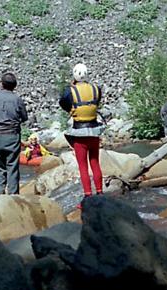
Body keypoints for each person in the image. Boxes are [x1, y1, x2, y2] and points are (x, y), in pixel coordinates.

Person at [58, 63, 105, 207]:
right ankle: (100, 193)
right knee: (95, 162)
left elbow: (63, 103)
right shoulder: (96, 89)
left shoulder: (69, 91)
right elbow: (96, 101)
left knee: (83, 167)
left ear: (74, 75)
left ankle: (88, 197)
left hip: (79, 133)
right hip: (94, 131)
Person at [0, 72, 28, 195]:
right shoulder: (17, 99)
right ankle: (13, 197)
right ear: (14, 86)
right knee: (12, 167)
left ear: (1, 84)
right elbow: (24, 117)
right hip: (11, 136)